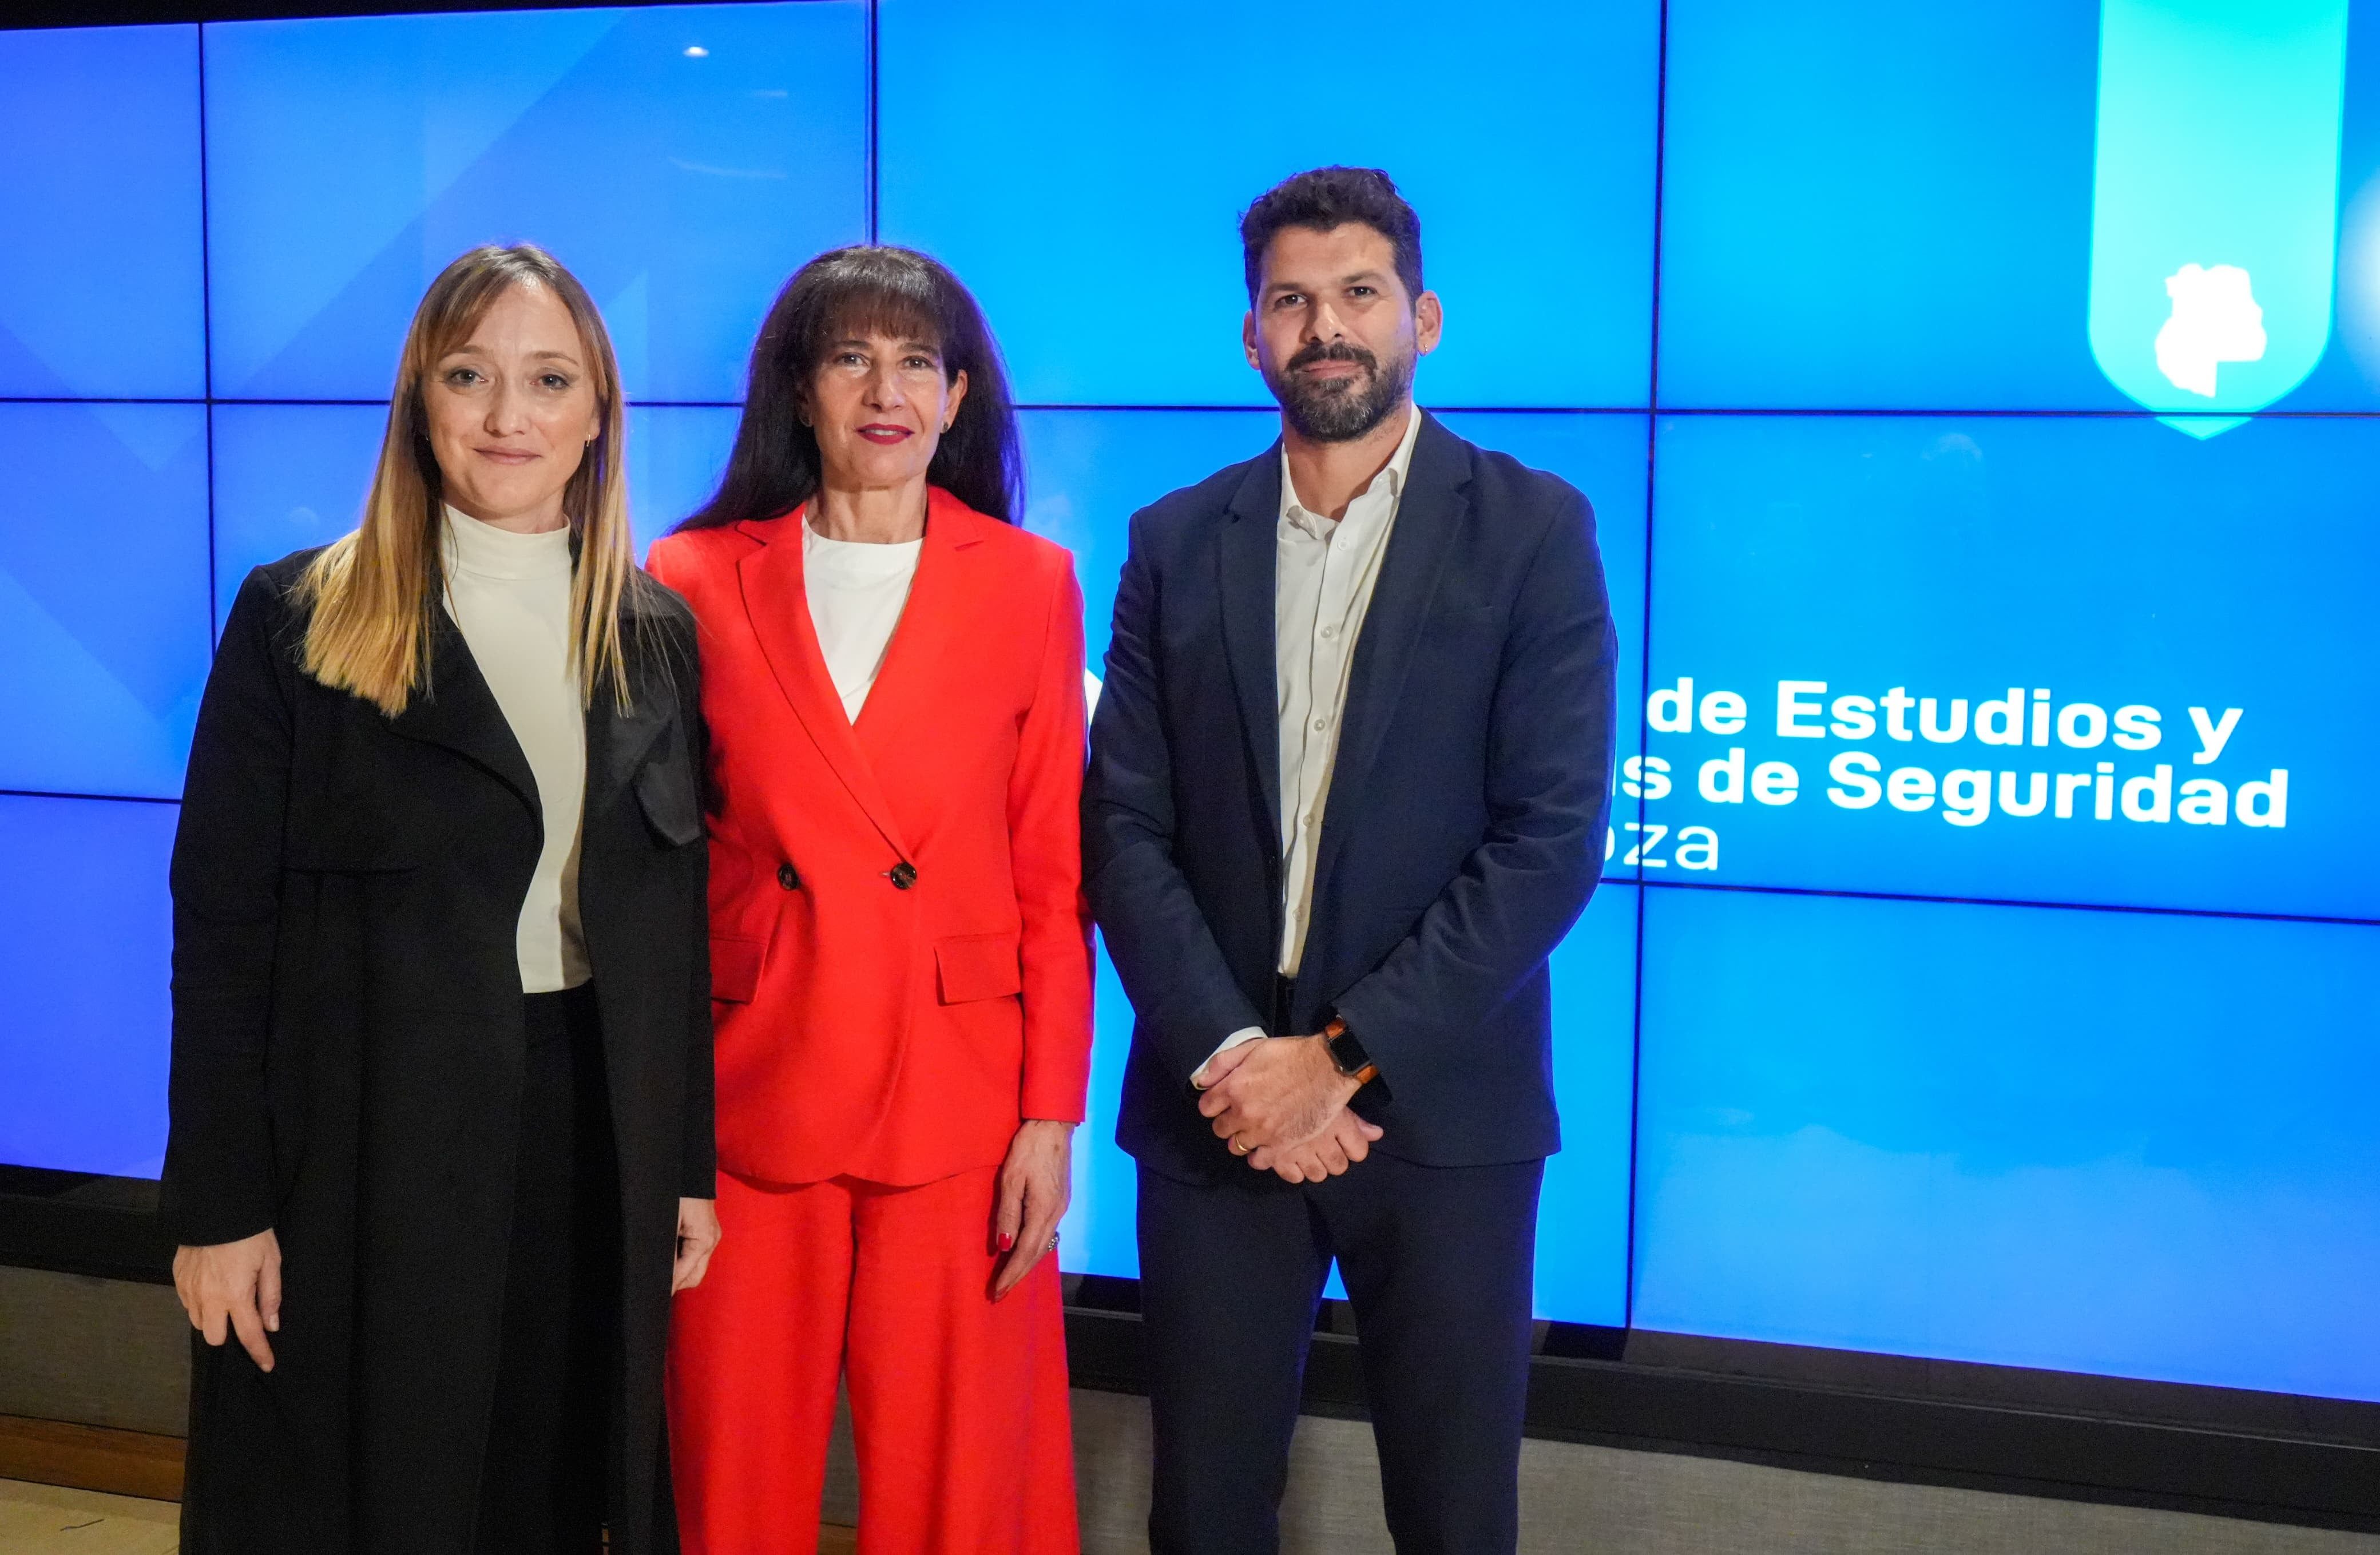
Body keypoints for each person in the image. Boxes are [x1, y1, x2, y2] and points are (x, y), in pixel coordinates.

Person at [1084, 166, 1617, 1553]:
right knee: (1202, 1510)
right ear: (1251, 334)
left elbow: (1548, 841)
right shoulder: (1172, 540)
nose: (1327, 326)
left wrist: (1334, 1058)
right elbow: (1123, 827)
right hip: (1218, 1115)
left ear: (1422, 318)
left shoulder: (1533, 531)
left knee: (1452, 1514)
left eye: (1358, 294)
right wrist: (1234, 1059)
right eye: (1292, 301)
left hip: (1444, 1119)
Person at [162, 243, 718, 1555]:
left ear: (598, 415)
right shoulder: (299, 620)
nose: (507, 417)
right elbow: (219, 933)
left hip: (583, 1129)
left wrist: (681, 1164)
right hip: (356, 1145)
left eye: (547, 380)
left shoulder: (651, 634)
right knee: (369, 1496)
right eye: (468, 377)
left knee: (544, 1482)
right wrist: (217, 1208)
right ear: (419, 400)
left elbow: (666, 931)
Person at [649, 245, 1092, 1555]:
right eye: (850, 356)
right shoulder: (688, 575)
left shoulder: (1029, 581)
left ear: (959, 398)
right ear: (797, 390)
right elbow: (656, 874)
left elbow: (1050, 874)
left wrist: (1048, 1118)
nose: (884, 390)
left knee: (964, 1493)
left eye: (916, 362)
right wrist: (662, 1128)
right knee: (730, 1481)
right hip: (748, 1084)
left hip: (960, 1099)